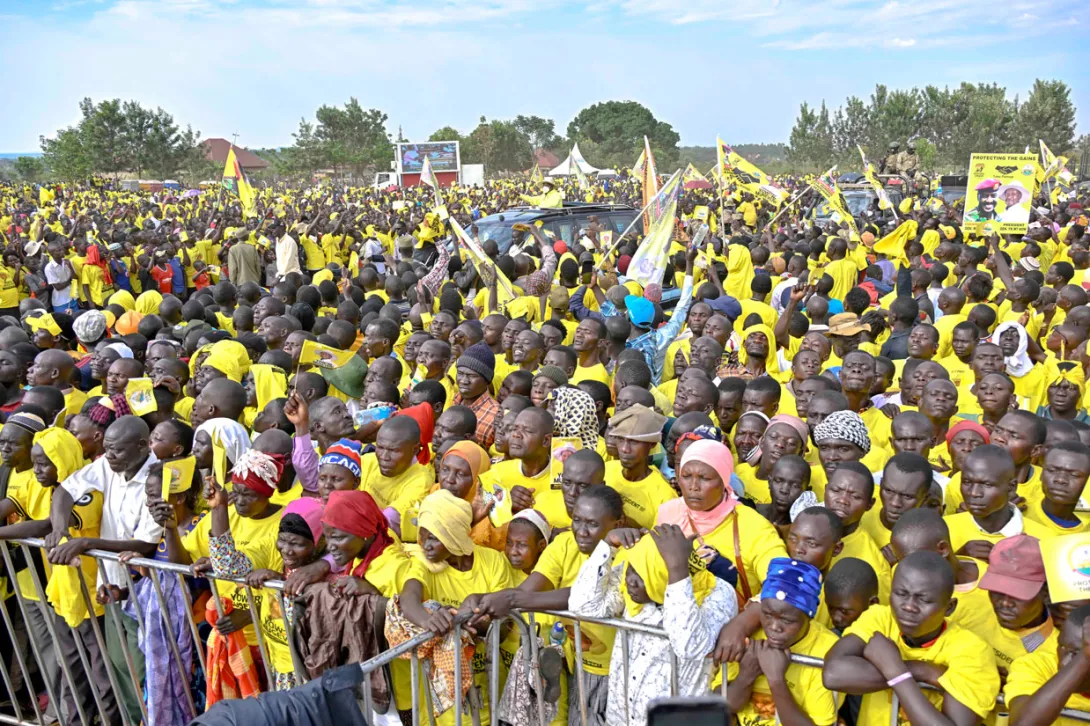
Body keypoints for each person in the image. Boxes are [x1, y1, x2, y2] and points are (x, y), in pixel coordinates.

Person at [569, 523, 738, 726]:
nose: (630, 580)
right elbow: (584, 607)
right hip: (622, 718)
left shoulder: (717, 594)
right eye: (631, 567)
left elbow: (689, 645)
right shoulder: (635, 587)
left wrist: (676, 570)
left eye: (641, 574)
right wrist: (608, 546)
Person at [823, 550, 1001, 726]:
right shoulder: (881, 619)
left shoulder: (972, 651)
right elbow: (833, 674)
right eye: (901, 594)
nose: (908, 606)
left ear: (949, 607)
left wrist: (895, 670)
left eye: (923, 600)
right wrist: (921, 670)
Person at [725, 557, 838, 726]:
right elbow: (724, 707)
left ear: (808, 616)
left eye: (787, 620)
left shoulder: (828, 650)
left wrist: (776, 678)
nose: (773, 627)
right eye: (767, 615)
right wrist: (747, 674)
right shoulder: (750, 636)